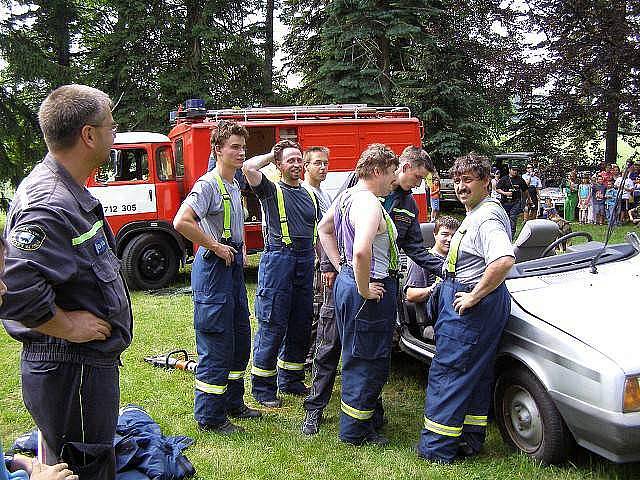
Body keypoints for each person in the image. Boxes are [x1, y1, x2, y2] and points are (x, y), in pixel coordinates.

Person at [0, 84, 132, 478]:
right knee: (82, 466)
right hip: (69, 367)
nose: (115, 132)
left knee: (86, 457)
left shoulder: (66, 191)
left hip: (79, 365)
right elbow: (17, 286)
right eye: (111, 125)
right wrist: (67, 325)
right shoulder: (50, 201)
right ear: (88, 135)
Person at [301, 145, 442, 436]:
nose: (417, 184)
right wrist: (339, 268)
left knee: (369, 354)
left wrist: (444, 269)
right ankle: (319, 411)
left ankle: (369, 413)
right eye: (415, 177)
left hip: (361, 283)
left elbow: (413, 245)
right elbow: (350, 242)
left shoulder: (404, 203)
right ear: (396, 168)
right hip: (359, 286)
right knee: (335, 348)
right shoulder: (364, 195)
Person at [416, 152, 514, 464]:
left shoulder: (486, 218)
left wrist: (473, 296)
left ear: (487, 181)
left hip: (471, 306)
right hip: (470, 301)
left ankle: (437, 449)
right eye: (457, 180)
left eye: (468, 180)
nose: (461, 186)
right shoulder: (477, 212)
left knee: (450, 371)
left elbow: (503, 260)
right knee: (476, 372)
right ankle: (470, 440)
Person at [173, 120, 260, 435]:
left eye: (242, 147)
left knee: (238, 338)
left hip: (232, 265)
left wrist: (242, 249)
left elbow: (234, 225)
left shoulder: (235, 183)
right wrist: (215, 245)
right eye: (234, 147)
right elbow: (181, 221)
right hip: (213, 269)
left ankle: (233, 403)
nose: (240, 152)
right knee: (216, 341)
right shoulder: (208, 184)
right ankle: (209, 416)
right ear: (217, 150)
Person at [318, 143, 400, 446]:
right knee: (366, 359)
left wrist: (342, 269)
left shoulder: (346, 197)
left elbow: (323, 229)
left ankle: (367, 419)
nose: (394, 179)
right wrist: (364, 287)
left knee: (357, 353)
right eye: (392, 172)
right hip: (367, 290)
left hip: (348, 284)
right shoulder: (368, 203)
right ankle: (356, 432)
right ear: (377, 171)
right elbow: (362, 250)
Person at [242, 140, 319, 407]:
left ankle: (292, 379)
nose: (296, 165)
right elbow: (249, 168)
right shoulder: (270, 190)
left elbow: (318, 233)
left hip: (306, 260)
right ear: (280, 165)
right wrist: (272, 154)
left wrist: (326, 263)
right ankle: (263, 388)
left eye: (299, 160)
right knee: (273, 323)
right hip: (279, 259)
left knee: (300, 322)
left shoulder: (310, 194)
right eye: (290, 160)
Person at [300, 146, 332, 368]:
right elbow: (317, 233)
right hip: (315, 264)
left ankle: (313, 356)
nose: (323, 167)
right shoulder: (306, 193)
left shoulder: (325, 194)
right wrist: (324, 264)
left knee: (321, 311)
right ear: (306, 166)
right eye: (317, 163)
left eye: (325, 163)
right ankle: (307, 358)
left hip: (324, 261)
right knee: (314, 312)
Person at [404, 216, 460, 339]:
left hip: (458, 315)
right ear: (435, 234)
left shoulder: (460, 260)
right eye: (444, 234)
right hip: (432, 323)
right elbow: (410, 295)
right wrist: (433, 289)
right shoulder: (423, 261)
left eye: (454, 235)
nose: (449, 239)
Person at [495, 164, 528, 239]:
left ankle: (511, 236)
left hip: (516, 202)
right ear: (509, 170)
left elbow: (525, 190)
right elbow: (497, 189)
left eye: (516, 170)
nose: (515, 172)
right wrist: (505, 193)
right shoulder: (504, 179)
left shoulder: (520, 179)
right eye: (513, 170)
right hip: (505, 202)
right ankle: (503, 234)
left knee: (513, 217)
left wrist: (529, 199)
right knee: (504, 218)